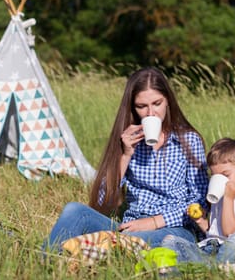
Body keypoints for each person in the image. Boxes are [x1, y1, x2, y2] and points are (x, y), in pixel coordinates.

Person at [43, 67, 209, 252]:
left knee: (137, 239)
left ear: (168, 100)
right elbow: (101, 202)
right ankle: (48, 260)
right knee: (74, 211)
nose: (150, 113)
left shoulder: (188, 140)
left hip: (174, 228)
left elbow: (201, 201)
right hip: (128, 228)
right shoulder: (128, 140)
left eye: (157, 103)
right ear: (132, 107)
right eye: (141, 106)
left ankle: (94, 247)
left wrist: (154, 222)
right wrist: (126, 155)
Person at [161, 138, 235, 266]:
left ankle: (210, 267)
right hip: (211, 249)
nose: (220, 181)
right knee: (171, 242)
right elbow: (214, 232)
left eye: (225, 175)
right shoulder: (220, 198)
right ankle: (212, 266)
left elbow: (229, 232)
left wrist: (229, 199)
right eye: (215, 176)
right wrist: (200, 220)